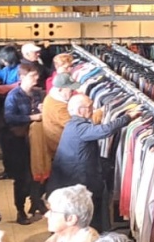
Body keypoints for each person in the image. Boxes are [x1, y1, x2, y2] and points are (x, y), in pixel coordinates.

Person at [47, 94, 132, 229]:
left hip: (75, 177)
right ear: (80, 110)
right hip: (80, 179)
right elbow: (105, 130)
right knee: (88, 213)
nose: (93, 109)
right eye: (90, 107)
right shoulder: (79, 128)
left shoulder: (73, 125)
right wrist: (128, 117)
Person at [3, 60, 47, 222]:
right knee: (21, 177)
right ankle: (20, 210)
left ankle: (35, 201)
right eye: (32, 76)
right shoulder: (13, 95)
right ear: (22, 77)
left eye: (36, 75)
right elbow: (9, 118)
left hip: (37, 139)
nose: (36, 78)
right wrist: (31, 117)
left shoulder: (38, 93)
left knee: (38, 172)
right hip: (19, 142)